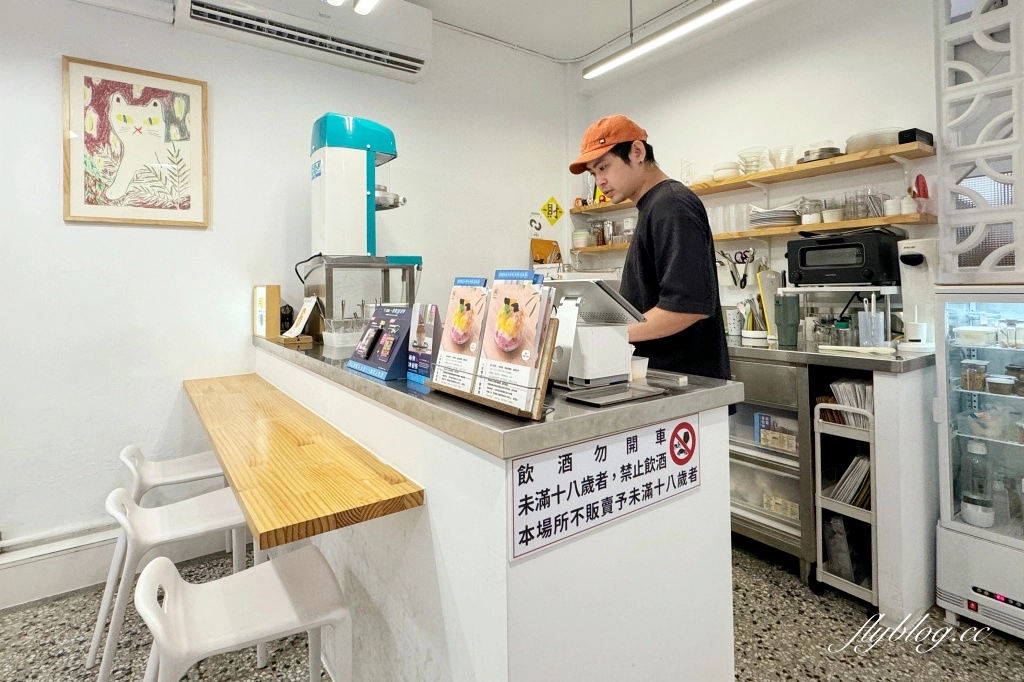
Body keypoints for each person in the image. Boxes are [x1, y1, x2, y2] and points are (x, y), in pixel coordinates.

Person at [569, 115, 730, 381]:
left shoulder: (672, 205)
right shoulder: (653, 207)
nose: (600, 182)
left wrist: (612, 334)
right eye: (594, 173)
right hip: (661, 381)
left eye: (604, 167)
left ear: (637, 151)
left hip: (685, 387)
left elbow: (687, 307)